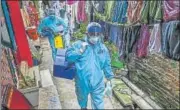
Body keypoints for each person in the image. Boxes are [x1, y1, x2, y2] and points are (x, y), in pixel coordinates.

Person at [65, 22, 114, 109]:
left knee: (99, 105)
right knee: (82, 101)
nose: (95, 37)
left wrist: (110, 79)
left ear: (100, 34)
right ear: (87, 34)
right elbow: (68, 57)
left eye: (97, 34)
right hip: (82, 81)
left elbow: (107, 64)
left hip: (97, 82)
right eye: (92, 34)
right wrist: (79, 51)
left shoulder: (102, 48)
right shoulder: (78, 45)